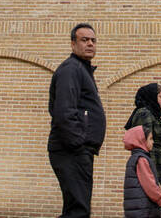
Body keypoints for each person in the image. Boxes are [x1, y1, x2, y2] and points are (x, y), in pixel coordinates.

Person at [47, 23, 106, 218]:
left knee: (76, 209)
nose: (90, 44)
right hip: (71, 150)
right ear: (73, 44)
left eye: (93, 40)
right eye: (84, 40)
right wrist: (79, 143)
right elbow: (64, 112)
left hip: (77, 150)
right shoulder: (71, 69)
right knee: (78, 211)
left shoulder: (82, 70)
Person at [125, 83, 161, 197]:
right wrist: (153, 180)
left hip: (157, 176)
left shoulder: (154, 116)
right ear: (152, 97)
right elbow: (144, 148)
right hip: (151, 179)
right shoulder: (144, 114)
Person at [123, 125, 161, 218]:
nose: (153, 142)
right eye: (150, 139)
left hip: (139, 210)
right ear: (142, 140)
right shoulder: (141, 159)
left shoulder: (135, 158)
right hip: (144, 210)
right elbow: (149, 185)